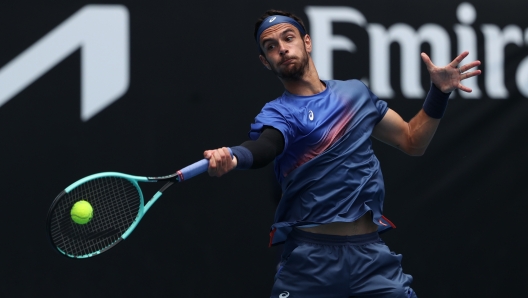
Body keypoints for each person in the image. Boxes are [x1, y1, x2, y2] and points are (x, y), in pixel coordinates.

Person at [203, 9, 481, 298]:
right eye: (271, 46)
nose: (282, 49)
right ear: (265, 60)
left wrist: (438, 93)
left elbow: (413, 141)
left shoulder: (355, 94)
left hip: (372, 260)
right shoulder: (278, 113)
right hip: (310, 262)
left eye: (288, 38)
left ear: (307, 42)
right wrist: (233, 157)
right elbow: (264, 147)